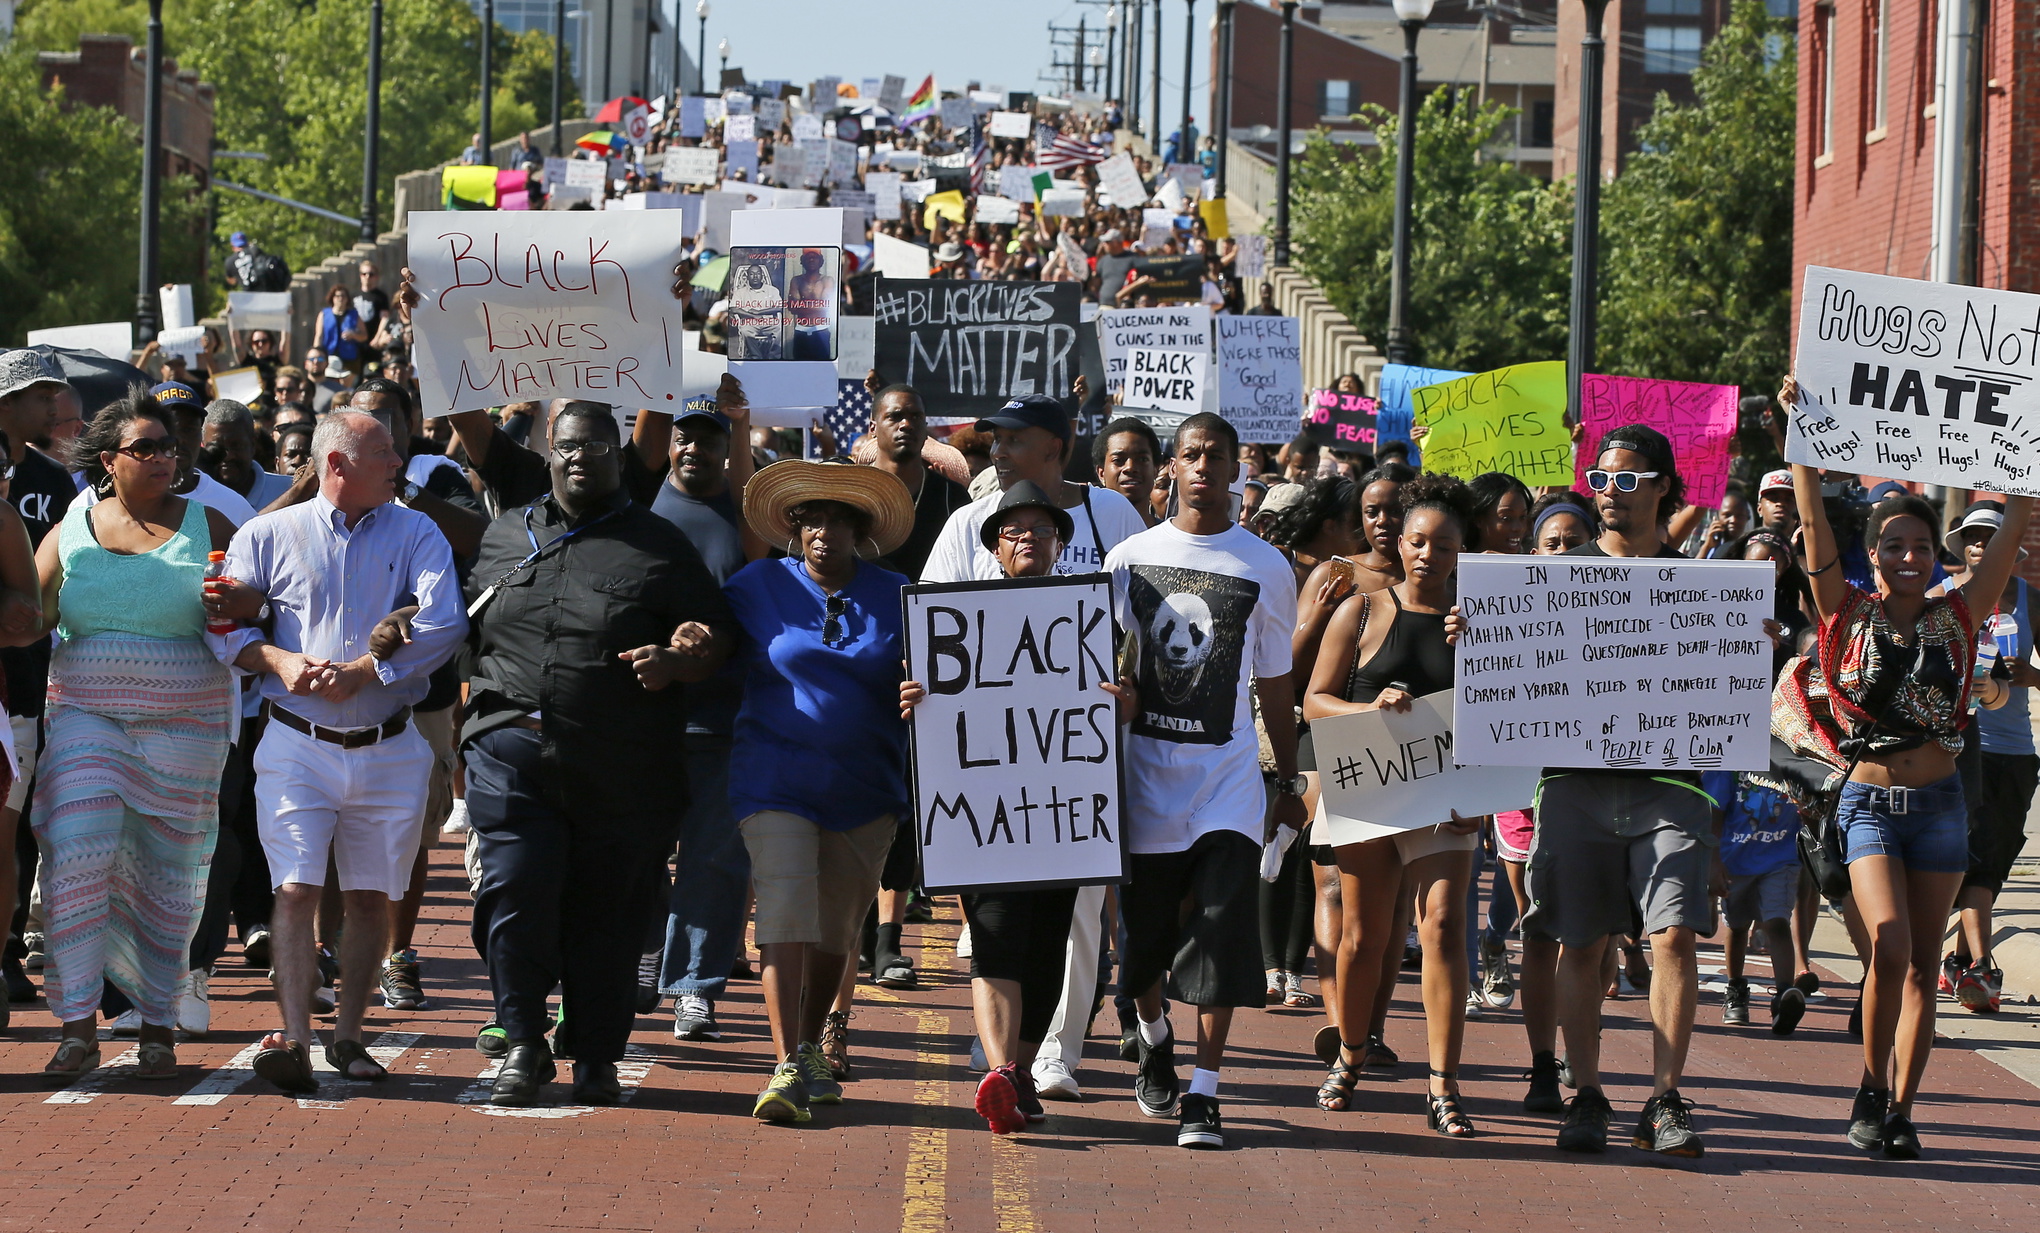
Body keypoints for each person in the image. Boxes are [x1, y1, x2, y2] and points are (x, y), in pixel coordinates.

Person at [1776, 382, 2030, 1158]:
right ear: (1875, 555)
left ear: (1936, 556)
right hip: (1866, 804)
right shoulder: (1843, 610)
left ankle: (1900, 1108)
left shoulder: (1961, 612)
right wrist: (1805, 442)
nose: (1910, 558)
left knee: (1923, 964)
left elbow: (2019, 520)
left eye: (1921, 547)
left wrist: (2029, 441)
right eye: (1894, 546)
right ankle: (1869, 1081)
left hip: (1945, 806)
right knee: (1886, 945)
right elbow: (1813, 522)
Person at [461, 402, 733, 1106]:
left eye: (597, 446)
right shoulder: (502, 535)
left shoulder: (660, 544)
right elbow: (460, 629)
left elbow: (715, 641)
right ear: (549, 453)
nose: (581, 457)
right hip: (511, 752)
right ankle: (522, 1041)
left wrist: (680, 659)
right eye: (568, 446)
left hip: (621, 764)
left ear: (623, 456)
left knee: (608, 914)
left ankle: (596, 1051)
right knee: (516, 888)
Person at [210, 410, 467, 1095]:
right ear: (337, 465)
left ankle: (348, 1035)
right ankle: (295, 1038)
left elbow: (446, 624)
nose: (397, 461)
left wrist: (367, 671)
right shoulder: (267, 533)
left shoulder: (418, 529)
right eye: (383, 451)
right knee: (294, 890)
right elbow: (222, 628)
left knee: (370, 898)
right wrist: (276, 659)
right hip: (296, 741)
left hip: (389, 742)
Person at [1492, 423, 1714, 1157]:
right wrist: (1481, 637)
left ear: (1662, 487)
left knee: (1675, 934)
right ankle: (1586, 1091)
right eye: (1599, 479)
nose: (1609, 493)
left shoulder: (1699, 586)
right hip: (1576, 785)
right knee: (1579, 941)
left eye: (1625, 479)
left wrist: (1748, 646)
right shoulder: (1551, 577)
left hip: (1669, 786)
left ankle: (1665, 1097)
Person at [899, 480, 1134, 1133]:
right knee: (998, 937)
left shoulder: (1090, 617)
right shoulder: (955, 618)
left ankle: (1021, 1074)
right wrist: (917, 697)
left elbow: (1120, 698)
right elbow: (932, 699)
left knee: (1046, 949)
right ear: (995, 547)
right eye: (1013, 528)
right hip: (985, 818)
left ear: (1062, 542)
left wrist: (1122, 702)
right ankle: (1001, 1070)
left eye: (1040, 527)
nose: (1026, 535)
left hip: (1060, 816)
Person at [23, 395, 237, 1081]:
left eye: (169, 446)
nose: (163, 457)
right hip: (87, 714)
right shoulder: (71, 529)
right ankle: (77, 1024)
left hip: (186, 723)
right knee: (77, 856)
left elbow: (260, 602)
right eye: (145, 447)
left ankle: (157, 1025)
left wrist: (236, 604)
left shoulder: (213, 523)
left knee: (166, 878)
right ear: (108, 458)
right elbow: (29, 613)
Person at [1107, 411, 1304, 1150]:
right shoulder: (1129, 558)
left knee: (1220, 935)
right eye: (1190, 455)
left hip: (1226, 790)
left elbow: (1278, 685)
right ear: (1173, 468)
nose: (1202, 468)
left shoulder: (1267, 566)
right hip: (1145, 786)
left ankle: (1204, 1090)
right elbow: (1095, 663)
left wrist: (1286, 780)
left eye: (1215, 456)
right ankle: (1155, 1034)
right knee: (1144, 949)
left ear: (1235, 470)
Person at [726, 460, 914, 1125]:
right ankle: (782, 1063)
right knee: (783, 910)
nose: (822, 533)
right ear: (792, 528)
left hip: (866, 790)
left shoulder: (899, 595)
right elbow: (712, 646)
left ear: (861, 530)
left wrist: (923, 692)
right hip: (773, 778)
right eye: (810, 520)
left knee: (837, 932)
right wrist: (687, 641)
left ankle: (807, 1047)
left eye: (838, 520)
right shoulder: (755, 585)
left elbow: (944, 678)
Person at [1303, 473, 1481, 1136]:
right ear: (1398, 544)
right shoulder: (1364, 608)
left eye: (1442, 544)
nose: (1427, 554)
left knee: (1441, 925)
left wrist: (1485, 651)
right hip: (1370, 785)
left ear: (1461, 551)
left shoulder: (1481, 623)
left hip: (1447, 798)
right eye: (1417, 541)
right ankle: (1349, 1055)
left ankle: (1443, 1082)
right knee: (1362, 934)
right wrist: (1366, 706)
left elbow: (1513, 715)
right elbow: (1316, 700)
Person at [653, 386, 763, 1046]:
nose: (696, 448)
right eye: (685, 437)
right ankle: (639, 961)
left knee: (715, 861)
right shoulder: (639, 501)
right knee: (635, 851)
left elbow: (754, 509)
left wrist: (744, 421)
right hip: (645, 716)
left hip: (726, 717)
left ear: (729, 449)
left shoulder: (745, 511)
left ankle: (694, 987)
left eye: (712, 439)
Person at [1942, 500, 2040, 1014]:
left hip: (2016, 753)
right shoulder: (1943, 597)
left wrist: (2032, 677)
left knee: (1994, 859)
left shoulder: (2031, 601)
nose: (1980, 544)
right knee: (1974, 858)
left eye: (1989, 536)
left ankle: (1957, 963)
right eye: (1972, 536)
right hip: (1958, 750)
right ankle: (1981, 966)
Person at [1701, 770, 1811, 1033]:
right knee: (1737, 927)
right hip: (1735, 861)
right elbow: (1713, 811)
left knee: (1777, 922)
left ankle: (1784, 995)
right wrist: (1713, 861)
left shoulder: (1790, 760)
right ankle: (1736, 988)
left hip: (1780, 860)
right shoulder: (1729, 763)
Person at [862, 383, 969, 580]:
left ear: (925, 428)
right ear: (873, 428)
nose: (906, 425)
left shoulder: (950, 496)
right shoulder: (849, 490)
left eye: (916, 417)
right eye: (894, 417)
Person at [202, 400, 295, 510]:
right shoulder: (187, 497)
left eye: (236, 446)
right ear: (203, 446)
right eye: (217, 447)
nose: (229, 456)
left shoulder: (288, 490)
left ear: (253, 445)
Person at [1093, 417, 1162, 531]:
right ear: (1101, 473)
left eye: (1142, 459)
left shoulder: (1170, 540)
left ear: (1155, 470)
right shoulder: (1079, 532)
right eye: (1118, 460)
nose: (1130, 467)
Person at [729, 263, 785, 360]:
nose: (755, 276)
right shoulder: (740, 292)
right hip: (750, 322)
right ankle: (756, 355)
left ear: (762, 275)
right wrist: (753, 316)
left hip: (769, 322)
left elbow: (780, 307)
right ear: (747, 276)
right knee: (745, 331)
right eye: (752, 274)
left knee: (781, 328)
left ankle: (774, 355)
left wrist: (759, 312)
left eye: (758, 273)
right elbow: (734, 308)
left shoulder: (772, 290)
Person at [788, 249, 836, 361]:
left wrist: (802, 305)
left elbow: (826, 307)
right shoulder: (797, 280)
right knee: (799, 369)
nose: (811, 259)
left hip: (821, 330)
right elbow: (792, 307)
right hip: (801, 331)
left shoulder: (827, 280)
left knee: (821, 369)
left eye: (815, 257)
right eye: (808, 257)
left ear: (821, 261)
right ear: (802, 261)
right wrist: (816, 306)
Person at [316, 286, 368, 377]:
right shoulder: (324, 314)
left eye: (343, 296)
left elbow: (364, 336)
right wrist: (317, 353)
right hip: (329, 356)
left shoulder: (354, 315)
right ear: (332, 298)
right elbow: (319, 335)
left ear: (347, 299)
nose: (340, 299)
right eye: (337, 296)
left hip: (349, 358)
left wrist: (353, 335)